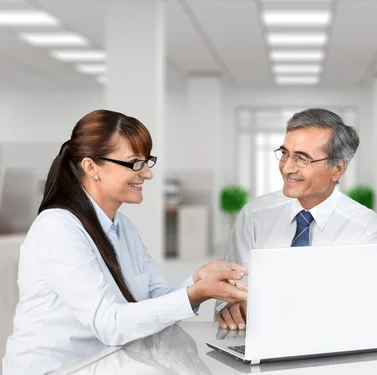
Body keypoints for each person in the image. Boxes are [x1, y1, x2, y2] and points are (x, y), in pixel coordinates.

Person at [3, 110, 247, 375]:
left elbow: (154, 297)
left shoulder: (124, 228)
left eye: (146, 161)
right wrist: (196, 294)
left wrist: (197, 281)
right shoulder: (57, 228)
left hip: (105, 365)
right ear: (91, 166)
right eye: (134, 163)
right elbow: (109, 324)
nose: (147, 175)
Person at [216, 108, 377, 330]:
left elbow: (361, 309)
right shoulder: (254, 215)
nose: (287, 167)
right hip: (257, 341)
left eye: (302, 158)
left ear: (337, 168)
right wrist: (229, 306)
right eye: (285, 153)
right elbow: (231, 288)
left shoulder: (367, 229)